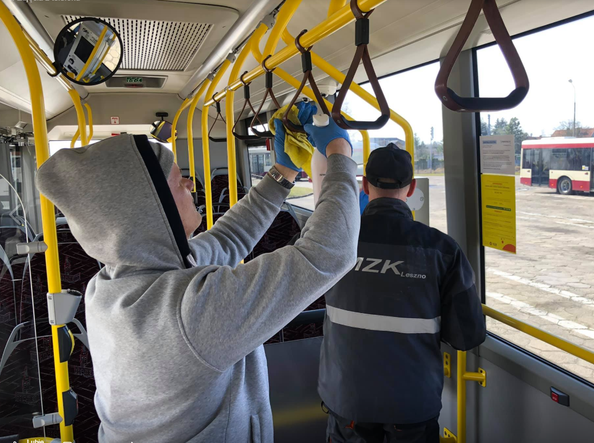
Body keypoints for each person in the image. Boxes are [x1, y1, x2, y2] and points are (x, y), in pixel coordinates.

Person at [35, 102, 360, 443]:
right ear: (152, 208)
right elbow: (329, 253)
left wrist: (281, 173)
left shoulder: (114, 282)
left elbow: (229, 238)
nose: (191, 185)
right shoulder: (188, 312)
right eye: (179, 182)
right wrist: (339, 154)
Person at [318, 143, 486, 443]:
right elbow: (467, 336)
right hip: (412, 402)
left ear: (365, 186)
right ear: (410, 190)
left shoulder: (335, 242)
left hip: (346, 398)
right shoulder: (442, 250)